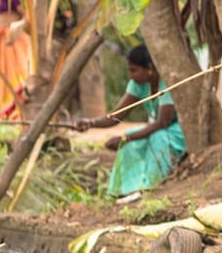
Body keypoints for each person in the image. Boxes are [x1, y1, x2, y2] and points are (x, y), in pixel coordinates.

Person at [75, 45, 187, 198]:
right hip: (158, 128)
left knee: (156, 138)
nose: (130, 75)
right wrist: (90, 123)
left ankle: (154, 188)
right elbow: (116, 116)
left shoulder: (166, 82)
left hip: (177, 131)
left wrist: (125, 138)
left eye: (134, 70)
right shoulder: (137, 85)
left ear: (149, 68)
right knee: (130, 139)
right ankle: (126, 191)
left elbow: (163, 122)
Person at [0, 0, 33, 120]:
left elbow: (26, 15)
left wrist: (16, 29)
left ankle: (19, 114)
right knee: (4, 79)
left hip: (13, 41)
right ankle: (9, 115)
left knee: (18, 75)